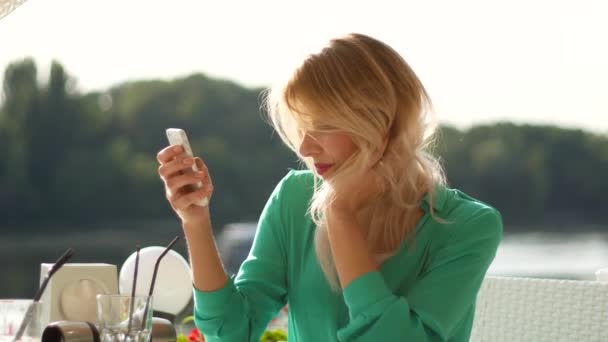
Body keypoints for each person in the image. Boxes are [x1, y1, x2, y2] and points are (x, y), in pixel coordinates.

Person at [156, 33, 502, 342]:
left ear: (381, 124)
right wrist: (196, 222)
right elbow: (232, 331)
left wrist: (339, 215)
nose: (305, 148)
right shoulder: (294, 198)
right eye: (302, 127)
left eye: (322, 126)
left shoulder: (468, 226)